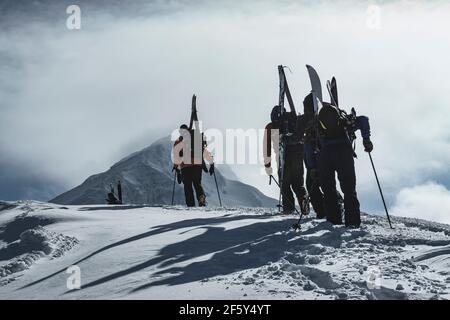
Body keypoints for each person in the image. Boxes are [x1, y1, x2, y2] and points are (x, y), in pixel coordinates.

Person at [316, 102, 372, 228]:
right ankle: (352, 222)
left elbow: (312, 141)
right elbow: (364, 120)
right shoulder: (344, 120)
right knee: (349, 189)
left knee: (328, 189)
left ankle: (333, 221)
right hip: (344, 153)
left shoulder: (318, 122)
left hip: (325, 155)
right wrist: (366, 140)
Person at [263, 106, 309, 215]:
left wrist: (267, 165)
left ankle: (288, 209)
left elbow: (267, 147)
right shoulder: (293, 122)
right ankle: (304, 202)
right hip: (298, 154)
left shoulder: (271, 126)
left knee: (285, 184)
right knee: (298, 184)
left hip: (282, 157)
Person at [172, 124, 214, 207]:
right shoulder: (195, 139)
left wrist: (176, 168)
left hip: (185, 167)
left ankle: (191, 206)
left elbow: (177, 155)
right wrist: (211, 162)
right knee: (197, 184)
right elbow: (203, 150)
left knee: (187, 187)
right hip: (197, 165)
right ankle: (202, 201)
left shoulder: (179, 141)